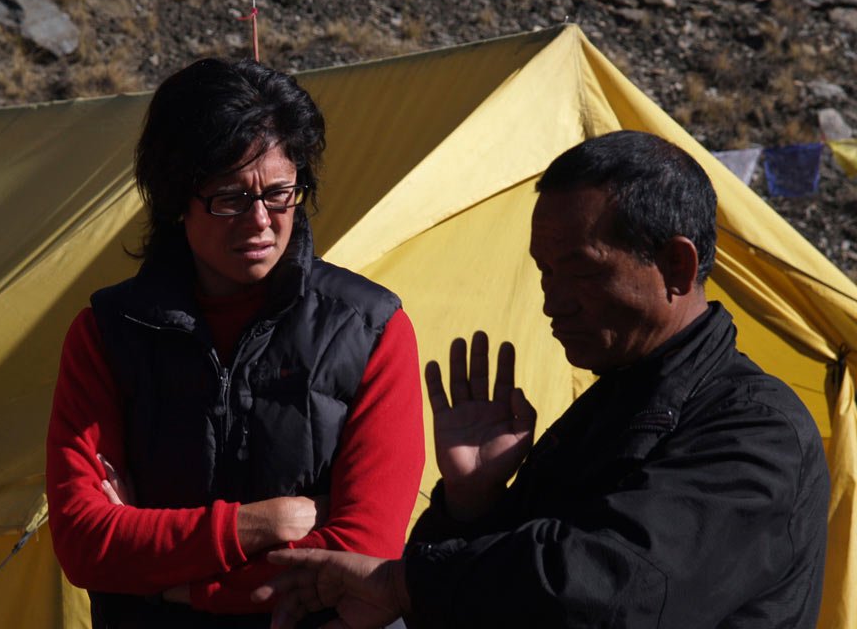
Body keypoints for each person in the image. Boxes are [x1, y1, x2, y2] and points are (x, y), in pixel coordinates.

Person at [256, 130, 830, 629]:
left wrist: (405, 584)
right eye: (544, 272)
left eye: (580, 271)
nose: (552, 303)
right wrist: (472, 501)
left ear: (676, 267)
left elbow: (608, 590)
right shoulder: (615, 399)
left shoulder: (756, 430)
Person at [45, 58, 424, 628]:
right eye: (229, 197)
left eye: (279, 194)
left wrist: (174, 587)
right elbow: (83, 541)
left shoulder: (371, 330)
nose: (260, 222)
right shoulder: (107, 334)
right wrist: (263, 523)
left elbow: (359, 556)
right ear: (176, 200)